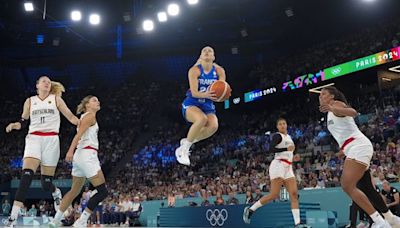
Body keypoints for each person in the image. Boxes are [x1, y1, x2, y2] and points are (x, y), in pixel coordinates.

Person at [5, 76, 79, 227]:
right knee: (26, 176)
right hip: (34, 139)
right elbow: (23, 121)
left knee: (46, 184)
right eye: (44, 80)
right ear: (37, 85)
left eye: (49, 81)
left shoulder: (56, 99)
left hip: (51, 141)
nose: (47, 82)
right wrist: (15, 124)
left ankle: (55, 191)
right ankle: (12, 218)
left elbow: (71, 117)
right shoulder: (30, 101)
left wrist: (82, 123)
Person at [318, 86, 391, 227]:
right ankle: (391, 219)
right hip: (352, 147)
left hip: (359, 146)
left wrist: (333, 109)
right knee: (367, 188)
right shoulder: (329, 111)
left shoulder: (336, 104)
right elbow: (345, 132)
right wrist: (341, 151)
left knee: (346, 185)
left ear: (332, 96)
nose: (320, 96)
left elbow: (352, 112)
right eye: (319, 95)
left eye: (323, 94)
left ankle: (379, 222)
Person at [49, 95, 108, 227]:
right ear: (87, 104)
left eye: (98, 100)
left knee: (74, 191)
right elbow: (78, 135)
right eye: (94, 100)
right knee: (103, 191)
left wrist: (73, 152)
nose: (98, 102)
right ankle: (81, 221)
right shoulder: (90, 116)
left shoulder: (85, 117)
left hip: (81, 156)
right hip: (87, 154)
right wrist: (70, 150)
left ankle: (55, 220)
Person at [243, 118, 302, 226]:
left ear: (287, 125)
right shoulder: (277, 136)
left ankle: (298, 223)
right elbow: (270, 149)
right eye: (280, 124)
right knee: (274, 194)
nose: (283, 125)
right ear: (277, 127)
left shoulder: (289, 137)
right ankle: (251, 210)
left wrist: (294, 157)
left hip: (288, 167)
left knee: (294, 194)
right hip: (278, 165)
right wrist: (285, 149)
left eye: (284, 123)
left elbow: (288, 153)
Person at [175, 46, 227, 166]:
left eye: (210, 51)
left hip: (207, 104)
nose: (207, 52)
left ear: (214, 57)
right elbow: (194, 92)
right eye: (204, 51)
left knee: (213, 126)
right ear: (200, 56)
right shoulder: (194, 70)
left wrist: (221, 95)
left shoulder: (219, 71)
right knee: (201, 119)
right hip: (192, 102)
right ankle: (183, 150)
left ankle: (187, 141)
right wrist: (208, 94)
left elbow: (222, 89)